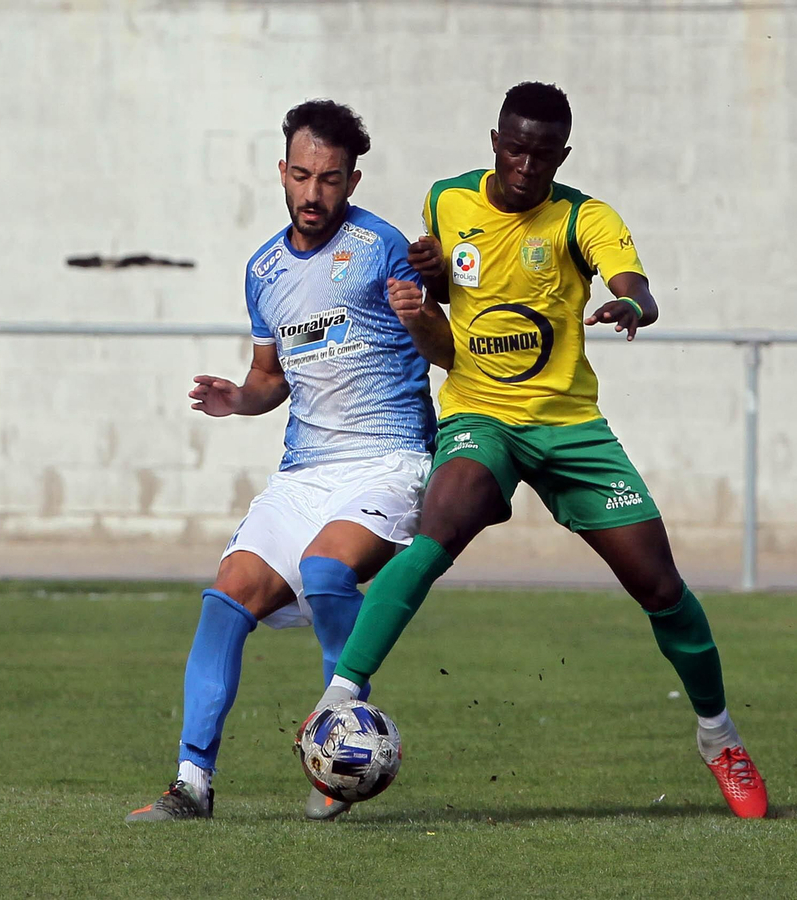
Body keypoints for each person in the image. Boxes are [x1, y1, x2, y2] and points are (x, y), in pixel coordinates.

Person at [307, 83, 769, 818]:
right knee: (436, 532)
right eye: (515, 148)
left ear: (564, 154)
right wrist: (427, 285)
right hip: (480, 416)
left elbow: (634, 282)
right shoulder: (446, 201)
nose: (527, 165)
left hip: (568, 426)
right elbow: (449, 306)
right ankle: (338, 705)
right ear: (495, 140)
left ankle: (719, 738)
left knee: (660, 586)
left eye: (544, 154)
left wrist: (632, 304)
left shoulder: (583, 216)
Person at [128, 100, 448, 822]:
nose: (312, 194)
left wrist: (422, 314)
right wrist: (239, 398)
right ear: (282, 171)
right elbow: (273, 377)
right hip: (304, 472)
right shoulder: (264, 269)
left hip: (387, 460)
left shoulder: (385, 248)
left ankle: (339, 754)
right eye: (301, 175)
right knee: (225, 597)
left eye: (329, 179)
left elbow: (445, 350)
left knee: (327, 569)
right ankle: (192, 784)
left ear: (352, 181)